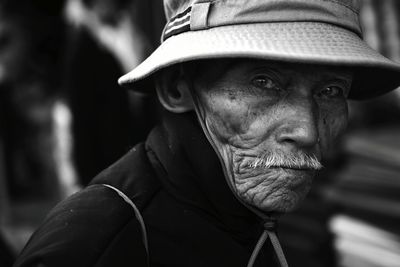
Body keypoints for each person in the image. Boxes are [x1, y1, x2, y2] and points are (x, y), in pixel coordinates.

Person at [13, 0, 400, 266]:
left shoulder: (247, 218)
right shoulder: (93, 246)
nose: (308, 129)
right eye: (264, 82)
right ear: (177, 89)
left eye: (331, 91)